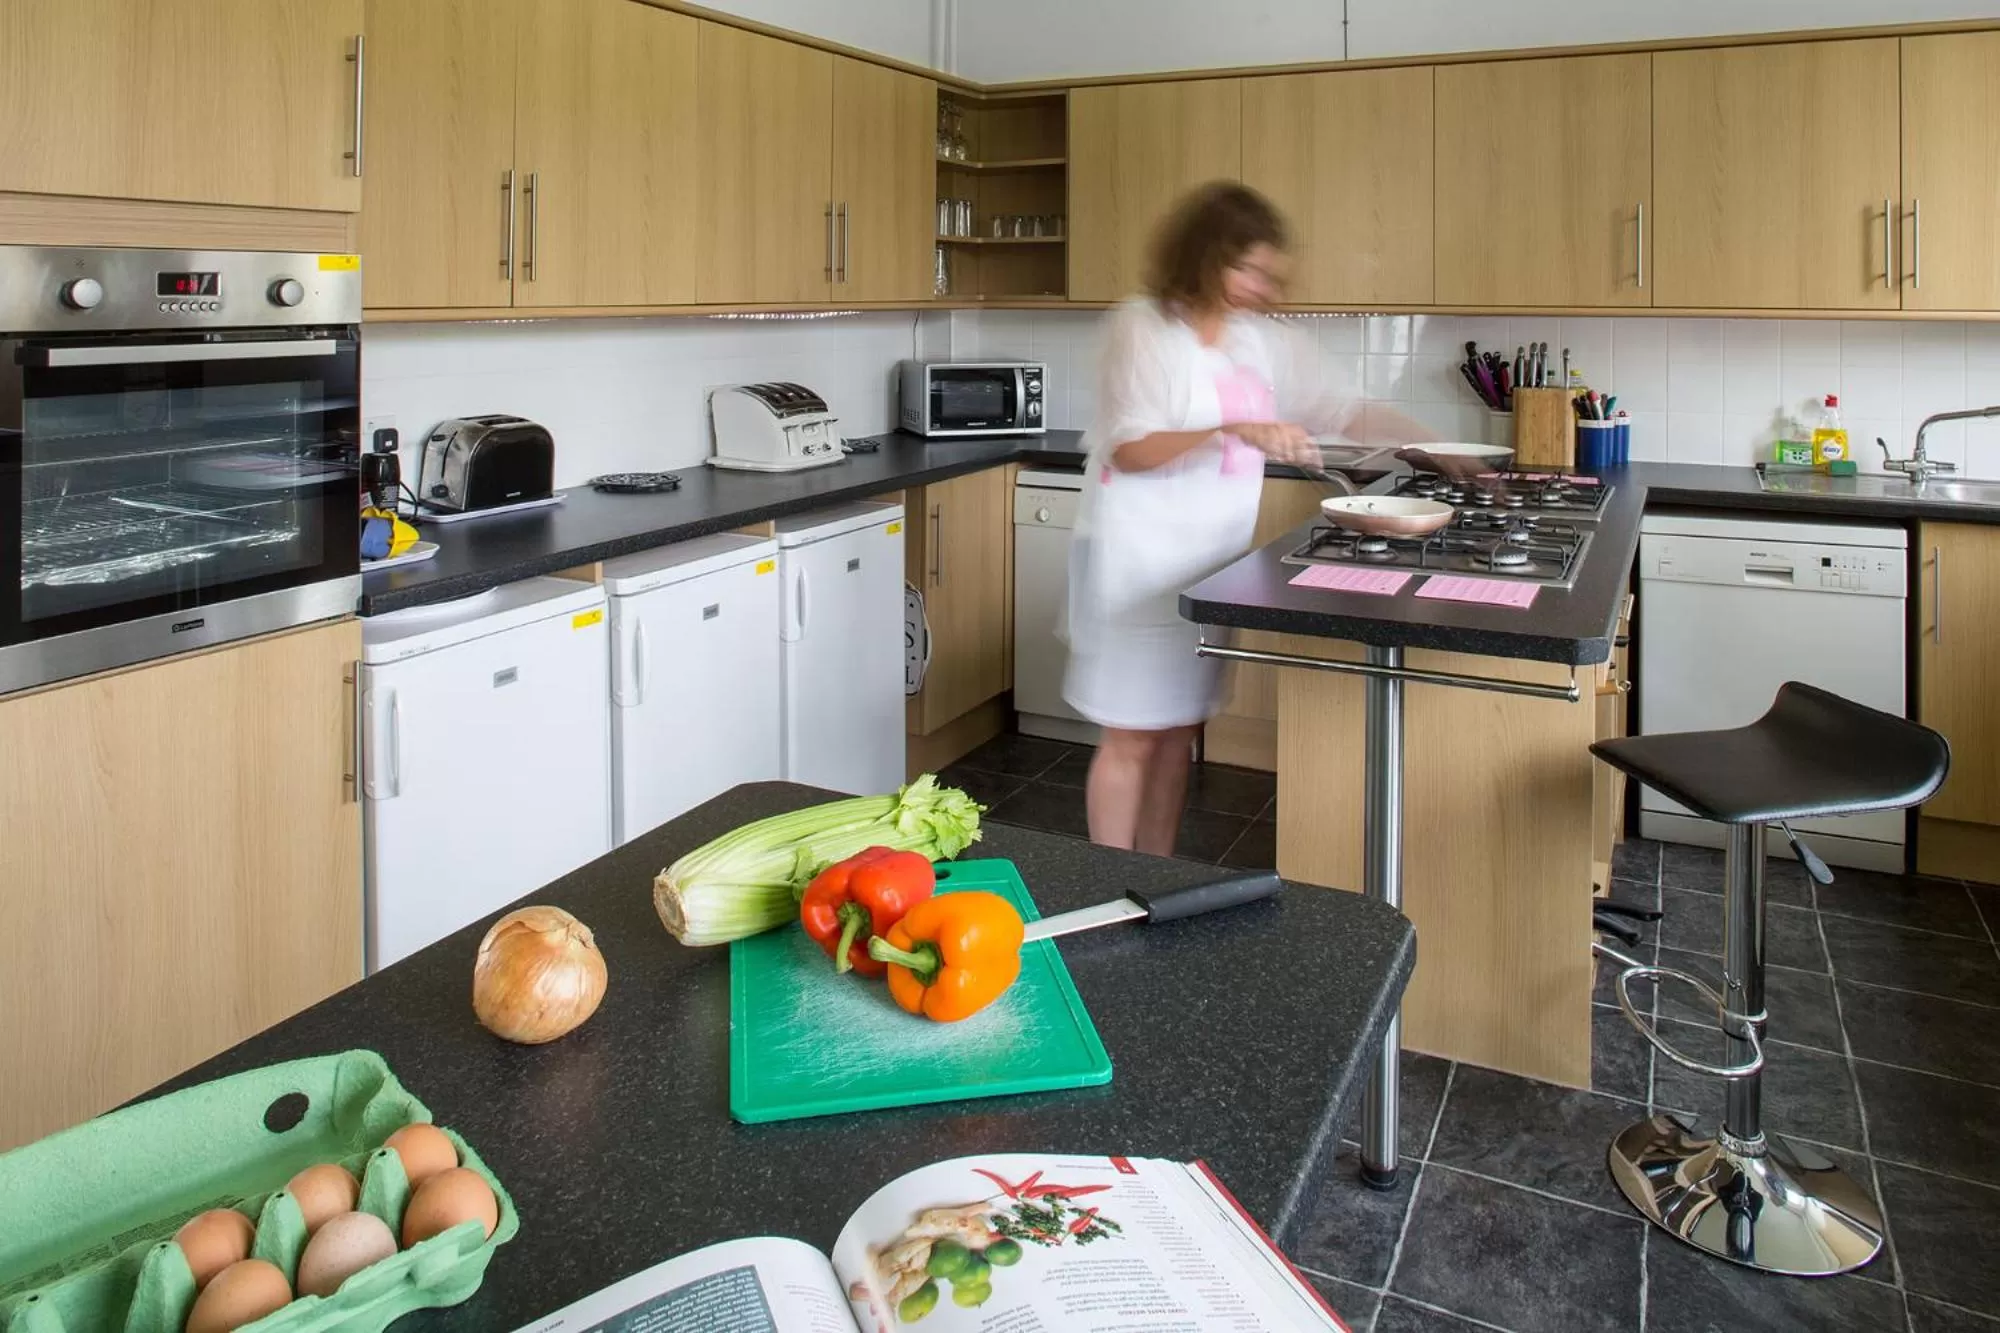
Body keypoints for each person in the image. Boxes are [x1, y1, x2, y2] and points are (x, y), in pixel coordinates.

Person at [1061, 181, 1436, 855]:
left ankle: (1155, 872)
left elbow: (1347, 408)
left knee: (1179, 731)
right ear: (1205, 257)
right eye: (1249, 269)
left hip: (1207, 568)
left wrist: (1438, 446)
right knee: (1130, 735)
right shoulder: (1142, 327)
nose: (1263, 287)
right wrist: (1235, 429)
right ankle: (1103, 884)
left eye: (1270, 273)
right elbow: (1134, 447)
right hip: (1133, 562)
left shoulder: (1258, 342)